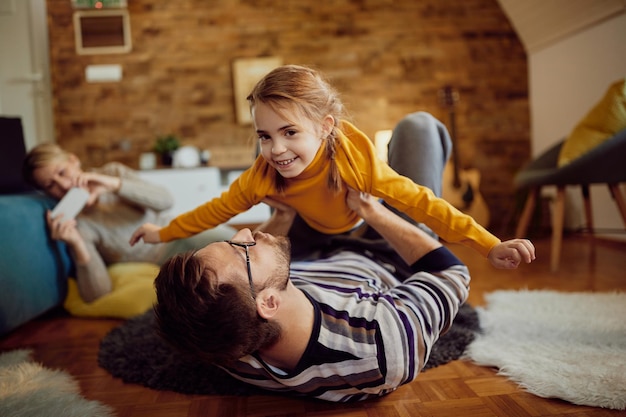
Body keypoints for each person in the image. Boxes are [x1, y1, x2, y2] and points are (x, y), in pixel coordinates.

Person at [131, 64, 534, 270]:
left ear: (325, 127)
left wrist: (489, 245)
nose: (275, 148)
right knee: (248, 255)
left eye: (289, 132)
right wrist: (162, 231)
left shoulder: (356, 162)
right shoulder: (263, 175)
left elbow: (426, 203)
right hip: (312, 233)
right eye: (265, 136)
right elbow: (215, 210)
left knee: (416, 155)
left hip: (367, 223)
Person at [152, 187, 533, 402]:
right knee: (420, 129)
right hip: (387, 250)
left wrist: (281, 217)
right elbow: (450, 271)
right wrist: (373, 211)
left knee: (279, 155)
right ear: (268, 303)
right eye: (242, 249)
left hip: (307, 251)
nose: (246, 232)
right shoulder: (386, 343)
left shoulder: (224, 339)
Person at [22, 143, 236, 302]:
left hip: (172, 234)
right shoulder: (77, 224)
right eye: (51, 185)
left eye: (62, 172)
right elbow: (97, 294)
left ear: (73, 160)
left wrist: (114, 185)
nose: (64, 185)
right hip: (157, 264)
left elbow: (166, 201)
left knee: (232, 241)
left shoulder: (112, 173)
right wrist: (76, 243)